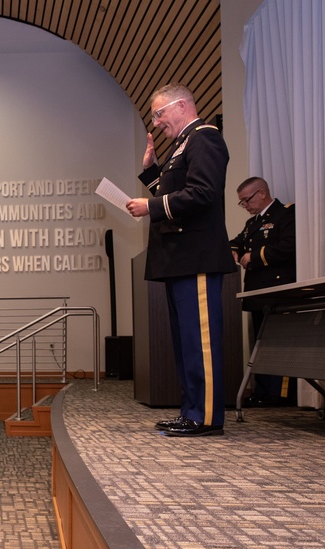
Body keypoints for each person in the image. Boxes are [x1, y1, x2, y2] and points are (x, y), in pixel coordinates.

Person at [126, 83, 236, 437]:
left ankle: (205, 416)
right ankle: (191, 410)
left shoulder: (205, 138)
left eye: (159, 113)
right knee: (186, 341)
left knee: (199, 341)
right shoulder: (182, 146)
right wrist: (151, 173)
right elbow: (175, 192)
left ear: (182, 105)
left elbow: (202, 193)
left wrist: (150, 206)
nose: (156, 123)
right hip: (181, 259)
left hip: (196, 257)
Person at [229, 177, 297, 407]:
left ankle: (281, 394)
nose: (245, 206)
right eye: (242, 203)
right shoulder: (253, 224)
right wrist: (234, 251)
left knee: (279, 343)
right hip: (258, 292)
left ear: (261, 193)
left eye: (246, 200)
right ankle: (263, 391)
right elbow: (237, 241)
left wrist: (254, 256)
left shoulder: (285, 214)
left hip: (277, 289)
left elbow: (289, 247)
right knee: (260, 342)